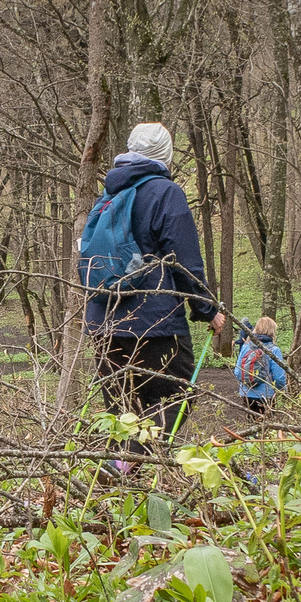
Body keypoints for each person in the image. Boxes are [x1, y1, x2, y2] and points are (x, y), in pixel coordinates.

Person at [82, 121, 226, 465]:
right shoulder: (165, 192)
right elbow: (185, 260)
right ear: (165, 154)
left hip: (104, 323)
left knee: (123, 412)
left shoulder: (107, 196)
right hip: (155, 324)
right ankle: (125, 466)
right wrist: (207, 310)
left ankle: (121, 475)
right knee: (175, 396)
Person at [234, 317, 289, 416]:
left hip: (246, 394)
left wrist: (247, 384)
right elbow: (279, 377)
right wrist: (282, 390)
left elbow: (238, 372)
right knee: (267, 422)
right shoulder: (274, 350)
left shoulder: (246, 347)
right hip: (266, 395)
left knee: (251, 422)